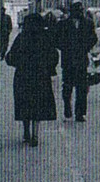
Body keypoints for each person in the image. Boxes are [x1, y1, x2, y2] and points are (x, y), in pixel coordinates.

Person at [4, 13, 59, 146]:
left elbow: (10, 57)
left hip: (23, 77)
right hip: (41, 77)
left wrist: (19, 63)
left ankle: (26, 132)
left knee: (25, 105)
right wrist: (48, 68)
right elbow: (54, 56)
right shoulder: (46, 37)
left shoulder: (22, 37)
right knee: (38, 107)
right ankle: (35, 135)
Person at [56, 1, 97, 122]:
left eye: (81, 10)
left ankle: (80, 113)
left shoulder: (88, 24)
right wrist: (64, 47)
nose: (79, 13)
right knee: (67, 86)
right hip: (68, 60)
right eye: (77, 11)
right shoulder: (63, 24)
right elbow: (56, 38)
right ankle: (67, 106)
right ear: (71, 12)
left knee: (82, 87)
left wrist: (85, 47)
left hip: (81, 60)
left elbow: (93, 38)